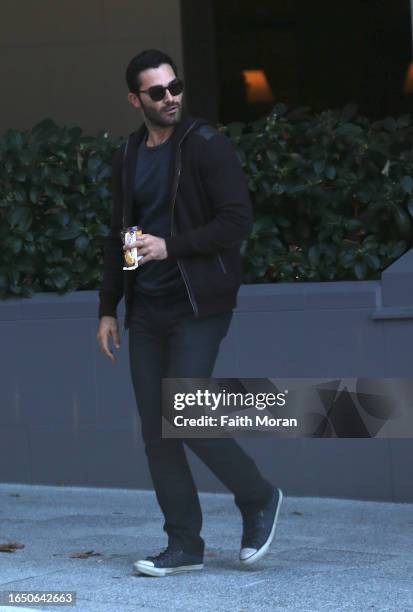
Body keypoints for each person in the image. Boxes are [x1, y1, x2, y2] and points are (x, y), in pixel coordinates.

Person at [96, 49, 283, 578]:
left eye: (175, 86)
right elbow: (124, 237)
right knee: (158, 430)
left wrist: (170, 247)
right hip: (147, 308)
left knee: (186, 411)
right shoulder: (128, 155)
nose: (171, 97)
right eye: (157, 92)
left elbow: (236, 221)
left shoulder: (206, 145)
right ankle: (184, 546)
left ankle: (258, 497)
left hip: (199, 301)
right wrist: (109, 306)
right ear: (136, 100)